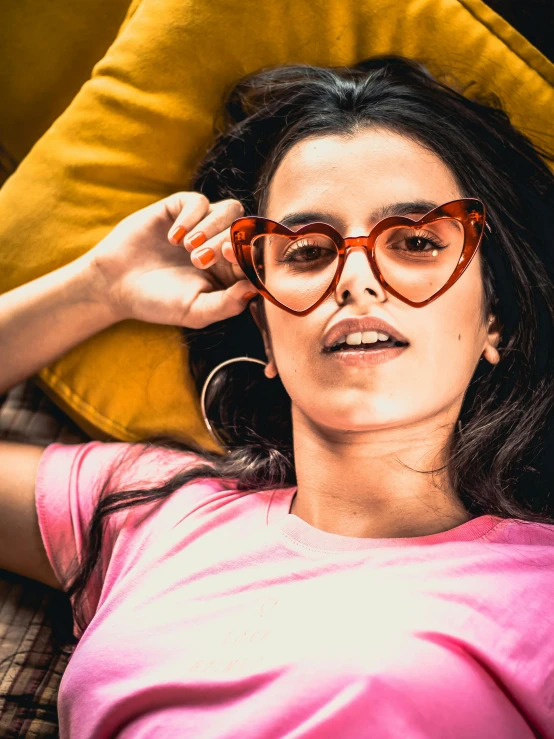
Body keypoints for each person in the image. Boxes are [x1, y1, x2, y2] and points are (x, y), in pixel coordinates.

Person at [1, 56, 553, 738]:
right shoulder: (154, 510)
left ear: (493, 319)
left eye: (414, 240)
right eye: (306, 252)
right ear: (264, 326)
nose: (355, 279)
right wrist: (99, 287)